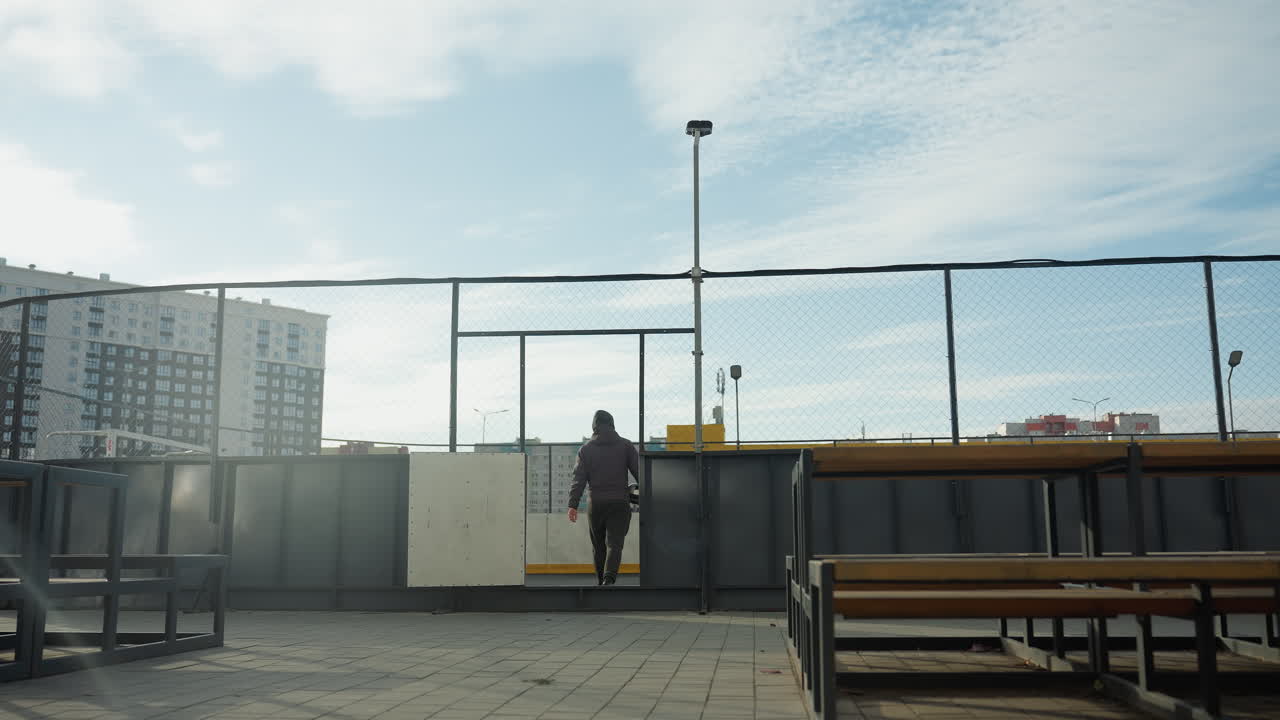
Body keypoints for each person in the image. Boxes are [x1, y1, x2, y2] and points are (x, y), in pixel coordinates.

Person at [567, 410, 639, 586]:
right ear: (612, 424)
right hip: (619, 502)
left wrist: (573, 504)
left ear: (594, 426)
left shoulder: (585, 450)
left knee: (598, 546)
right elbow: (641, 473)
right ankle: (609, 579)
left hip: (596, 504)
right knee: (615, 544)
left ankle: (600, 583)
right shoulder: (626, 446)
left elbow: (578, 479)